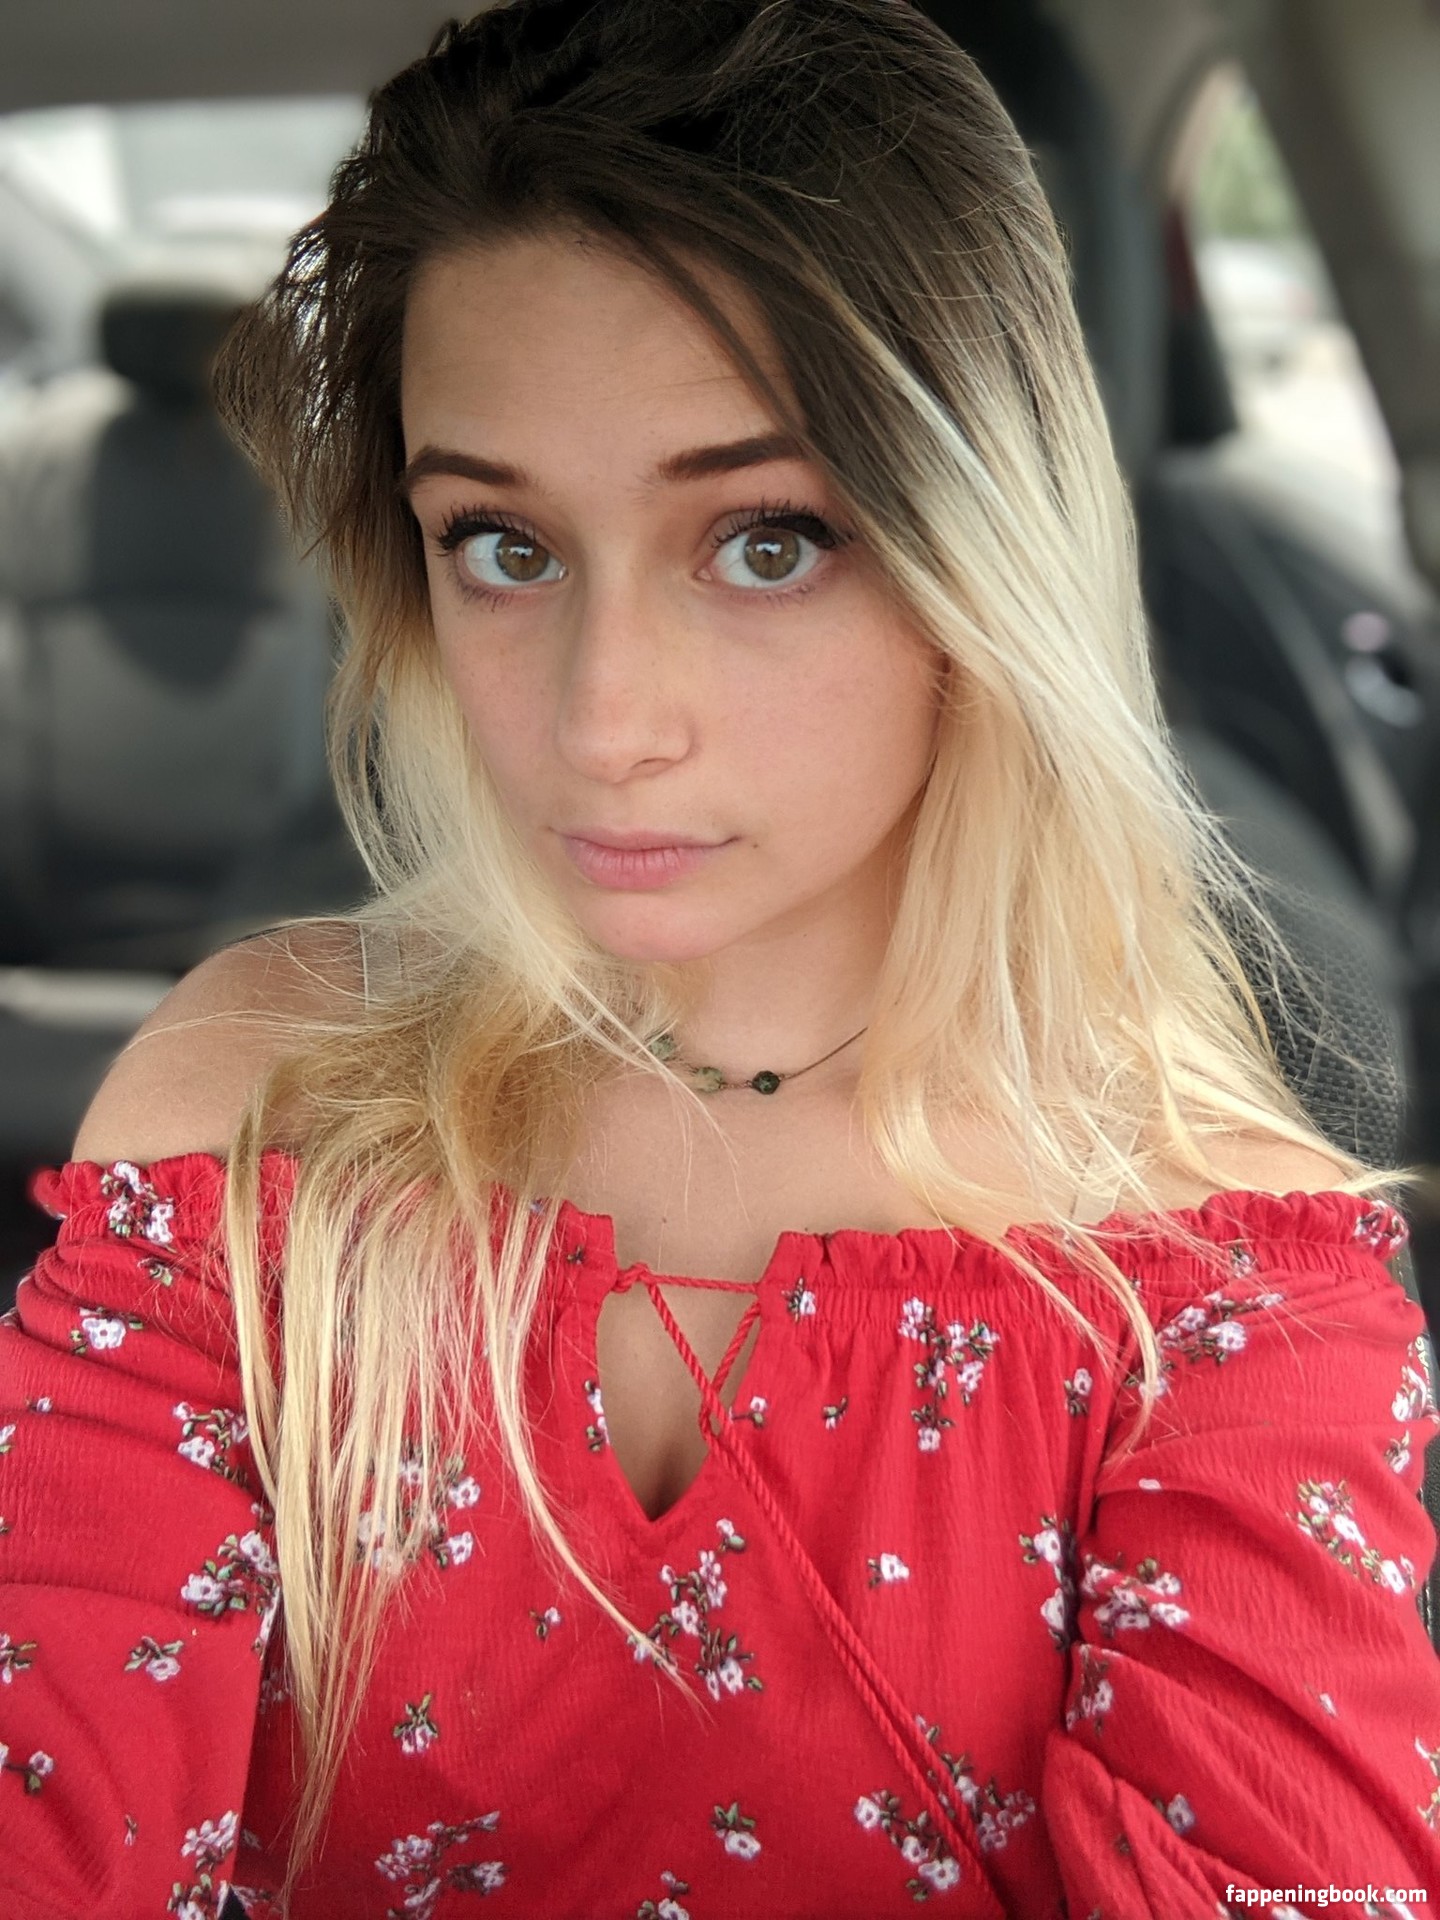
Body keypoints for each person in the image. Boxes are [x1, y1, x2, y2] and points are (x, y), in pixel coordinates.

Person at [2, 1, 1439, 1914]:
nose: (603, 722)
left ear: (981, 555)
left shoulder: (1217, 1280)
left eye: (766, 541)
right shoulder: (247, 1121)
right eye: (503, 544)